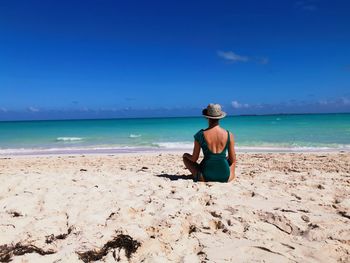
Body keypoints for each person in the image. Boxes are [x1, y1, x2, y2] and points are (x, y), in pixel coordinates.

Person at [183, 103, 236, 182]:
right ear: (220, 117)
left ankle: (199, 175)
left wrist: (186, 155)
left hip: (205, 176)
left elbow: (194, 159)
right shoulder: (229, 135)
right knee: (233, 158)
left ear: (207, 118)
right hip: (225, 176)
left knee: (185, 158)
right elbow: (232, 160)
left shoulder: (200, 134)